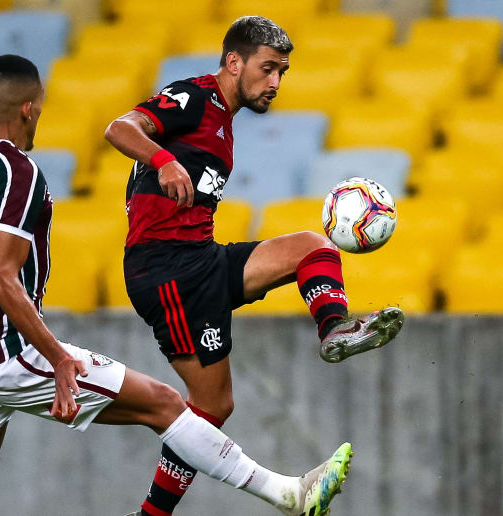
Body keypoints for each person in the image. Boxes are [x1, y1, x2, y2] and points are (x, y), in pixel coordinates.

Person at [0, 54, 352, 516]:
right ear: (30, 108)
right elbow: (1, 279)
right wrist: (58, 358)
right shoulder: (20, 173)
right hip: (15, 352)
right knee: (168, 405)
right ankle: (288, 495)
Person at [104, 16, 404, 516]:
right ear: (233, 62)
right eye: (267, 70)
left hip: (201, 257)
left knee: (313, 247)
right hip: (166, 271)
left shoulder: (223, 119)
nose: (275, 83)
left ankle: (334, 328)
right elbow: (119, 128)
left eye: (282, 72)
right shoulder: (195, 98)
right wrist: (163, 161)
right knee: (208, 407)